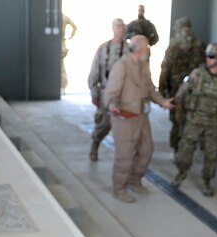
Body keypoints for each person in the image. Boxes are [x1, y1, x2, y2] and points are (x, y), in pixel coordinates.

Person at [103, 35, 174, 203]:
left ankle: (134, 180)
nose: (149, 50)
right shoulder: (121, 66)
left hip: (141, 116)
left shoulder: (143, 66)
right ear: (140, 49)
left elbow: (150, 89)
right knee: (124, 155)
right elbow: (110, 94)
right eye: (147, 47)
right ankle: (119, 188)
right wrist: (112, 106)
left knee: (146, 150)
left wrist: (163, 101)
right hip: (124, 118)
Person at [170, 43, 217, 197]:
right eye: (208, 56)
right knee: (185, 150)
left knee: (212, 155)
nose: (208, 59)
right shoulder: (197, 74)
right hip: (194, 120)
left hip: (214, 124)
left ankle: (207, 180)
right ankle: (182, 172)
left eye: (212, 56)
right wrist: (181, 115)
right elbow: (181, 94)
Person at [159, 17, 206, 152]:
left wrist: (162, 93)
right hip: (196, 89)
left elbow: (165, 69)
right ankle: (195, 145)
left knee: (176, 120)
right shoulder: (200, 44)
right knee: (195, 118)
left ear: (179, 28)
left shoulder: (174, 45)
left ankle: (176, 147)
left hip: (176, 90)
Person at [87, 18, 127, 161]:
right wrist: (94, 92)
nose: (120, 30)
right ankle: (95, 144)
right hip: (106, 93)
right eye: (117, 27)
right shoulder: (103, 49)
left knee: (125, 128)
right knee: (104, 124)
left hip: (124, 95)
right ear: (112, 28)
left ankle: (123, 156)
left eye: (122, 27)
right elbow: (94, 72)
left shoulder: (128, 50)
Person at [60, 14, 78, 94]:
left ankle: (62, 86)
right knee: (61, 66)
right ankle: (62, 87)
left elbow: (74, 27)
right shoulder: (64, 17)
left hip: (60, 42)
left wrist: (69, 37)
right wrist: (70, 36)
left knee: (61, 66)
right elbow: (74, 27)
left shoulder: (63, 17)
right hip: (61, 43)